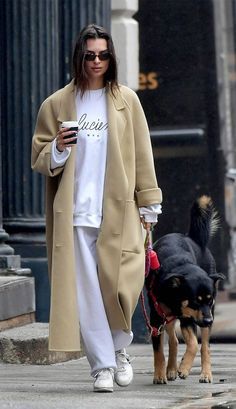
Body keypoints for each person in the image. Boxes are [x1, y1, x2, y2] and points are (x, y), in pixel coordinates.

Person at [31, 24, 162, 393]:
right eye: (90, 55)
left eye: (103, 55)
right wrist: (57, 146)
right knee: (87, 293)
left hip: (118, 210)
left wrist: (149, 203)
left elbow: (141, 153)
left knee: (120, 286)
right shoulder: (56, 104)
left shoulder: (126, 100)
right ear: (79, 57)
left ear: (112, 58)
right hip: (74, 213)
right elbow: (40, 157)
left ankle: (120, 347)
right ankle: (102, 365)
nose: (97, 61)